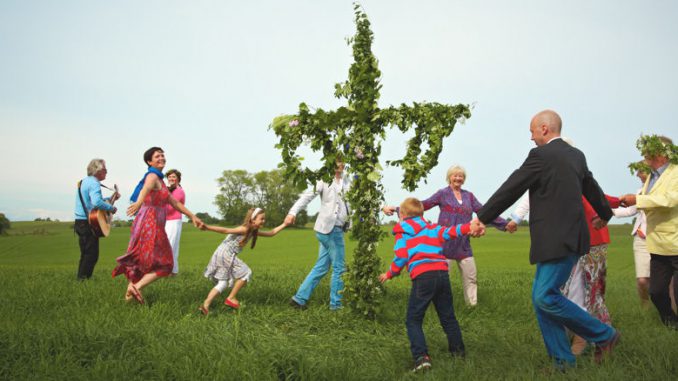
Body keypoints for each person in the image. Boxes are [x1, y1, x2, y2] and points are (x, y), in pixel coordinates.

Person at [476, 110, 620, 368]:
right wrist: (605, 214)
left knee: (545, 297)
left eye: (532, 131)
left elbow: (512, 187)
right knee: (542, 299)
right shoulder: (576, 155)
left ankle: (604, 335)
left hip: (556, 239)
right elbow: (592, 187)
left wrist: (481, 217)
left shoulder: (540, 155)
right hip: (569, 238)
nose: (530, 137)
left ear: (544, 129)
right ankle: (562, 362)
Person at [378, 197, 484, 373]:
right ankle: (459, 354)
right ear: (422, 213)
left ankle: (421, 358)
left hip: (423, 278)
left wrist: (389, 274)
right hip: (442, 275)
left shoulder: (402, 232)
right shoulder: (432, 228)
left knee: (413, 319)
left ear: (402, 215)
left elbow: (402, 257)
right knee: (448, 317)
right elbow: (452, 231)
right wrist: (469, 226)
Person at [383, 165, 509, 306]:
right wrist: (396, 209)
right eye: (455, 175)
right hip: (445, 244)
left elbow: (484, 211)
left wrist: (505, 224)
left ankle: (472, 306)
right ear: (449, 177)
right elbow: (423, 205)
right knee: (442, 280)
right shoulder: (442, 194)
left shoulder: (469, 196)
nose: (458, 178)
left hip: (463, 244)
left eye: (461, 176)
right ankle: (438, 305)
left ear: (464, 179)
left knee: (471, 277)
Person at [112, 147, 203, 304]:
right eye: (157, 156)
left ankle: (128, 300)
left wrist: (192, 216)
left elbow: (174, 202)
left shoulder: (160, 180)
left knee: (140, 262)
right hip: (149, 223)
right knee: (167, 264)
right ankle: (136, 287)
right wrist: (139, 202)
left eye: (163, 155)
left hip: (153, 223)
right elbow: (146, 187)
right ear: (149, 161)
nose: (161, 158)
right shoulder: (153, 175)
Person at [620, 135, 677, 329]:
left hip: (676, 241)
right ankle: (672, 325)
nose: (644, 157)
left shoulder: (676, 172)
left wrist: (638, 200)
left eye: (647, 153)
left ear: (660, 154)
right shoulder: (651, 177)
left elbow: (668, 200)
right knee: (657, 292)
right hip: (658, 245)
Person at [285, 160, 351, 311]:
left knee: (321, 267)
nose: (339, 164)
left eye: (342, 160)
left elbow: (361, 198)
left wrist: (382, 207)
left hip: (336, 228)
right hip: (330, 229)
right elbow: (307, 196)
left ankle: (299, 299)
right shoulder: (324, 179)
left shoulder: (348, 180)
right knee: (340, 268)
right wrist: (292, 212)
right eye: (336, 160)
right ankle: (336, 306)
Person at [199, 208, 288, 314]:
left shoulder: (252, 231)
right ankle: (231, 298)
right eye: (262, 219)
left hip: (220, 253)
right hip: (226, 254)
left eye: (264, 219)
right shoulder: (244, 229)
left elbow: (271, 233)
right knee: (246, 272)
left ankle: (205, 305)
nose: (264, 221)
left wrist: (285, 224)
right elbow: (225, 230)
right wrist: (207, 227)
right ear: (253, 219)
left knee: (223, 283)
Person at [613, 166, 652, 305]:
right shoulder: (640, 191)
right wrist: (607, 208)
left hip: (661, 238)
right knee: (642, 280)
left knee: (669, 281)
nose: (636, 174)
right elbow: (630, 211)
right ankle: (645, 307)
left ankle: (670, 314)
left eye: (640, 171)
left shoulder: (664, 189)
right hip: (641, 239)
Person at [74, 158, 119, 280]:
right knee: (91, 254)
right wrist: (111, 208)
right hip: (88, 222)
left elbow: (93, 201)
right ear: (97, 170)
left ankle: (81, 279)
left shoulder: (84, 182)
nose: (106, 172)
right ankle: (83, 280)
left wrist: (111, 198)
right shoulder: (94, 183)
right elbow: (97, 202)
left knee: (85, 253)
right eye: (105, 169)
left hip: (80, 222)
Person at [164, 169, 185, 275]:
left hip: (174, 221)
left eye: (173, 177)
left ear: (178, 179)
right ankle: (173, 271)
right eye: (169, 177)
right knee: (171, 246)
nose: (171, 179)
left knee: (170, 246)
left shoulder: (178, 191)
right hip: (166, 221)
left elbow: (171, 206)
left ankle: (168, 271)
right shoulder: (169, 189)